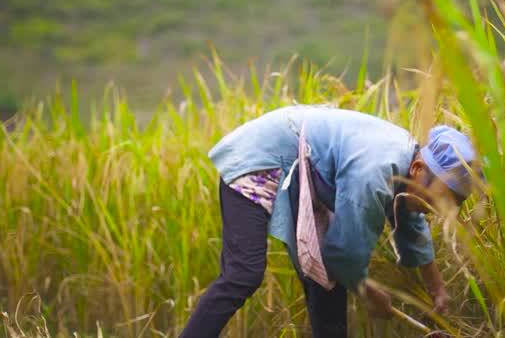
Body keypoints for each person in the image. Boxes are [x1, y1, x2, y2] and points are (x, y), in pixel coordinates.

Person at [177, 105, 479, 338]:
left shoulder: (405, 170)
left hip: (304, 172)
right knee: (244, 273)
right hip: (260, 158)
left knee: (328, 284)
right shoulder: (375, 171)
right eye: (438, 198)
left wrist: (437, 287)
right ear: (417, 168)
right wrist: (368, 291)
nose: (437, 210)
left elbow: (409, 218)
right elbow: (344, 253)